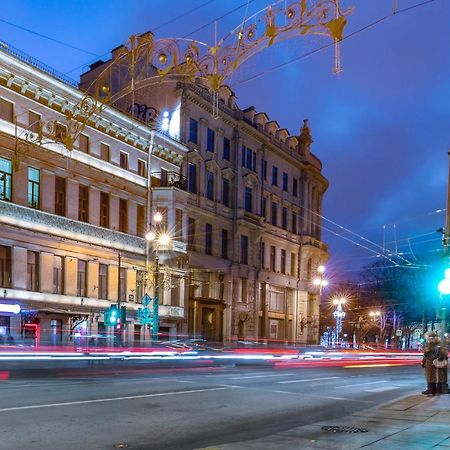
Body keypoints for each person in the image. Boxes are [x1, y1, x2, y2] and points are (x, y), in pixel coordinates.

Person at [421, 331, 448, 395]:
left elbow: (426, 354)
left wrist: (423, 362)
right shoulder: (440, 344)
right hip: (440, 363)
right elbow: (445, 354)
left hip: (430, 362)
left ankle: (431, 390)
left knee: (430, 377)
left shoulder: (428, 345)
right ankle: (438, 390)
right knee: (439, 376)